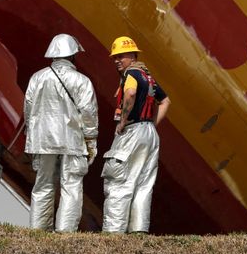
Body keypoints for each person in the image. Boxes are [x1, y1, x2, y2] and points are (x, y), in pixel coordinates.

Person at [23, 33, 99, 232]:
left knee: (42, 185)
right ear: (73, 55)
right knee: (71, 185)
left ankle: (38, 229)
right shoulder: (82, 81)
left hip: (42, 140)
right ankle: (65, 231)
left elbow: (28, 110)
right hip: (72, 141)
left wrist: (31, 138)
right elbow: (89, 114)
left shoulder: (37, 78)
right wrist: (91, 141)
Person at [101, 35, 171, 233]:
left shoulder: (131, 74)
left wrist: (123, 121)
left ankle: (113, 231)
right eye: (115, 57)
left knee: (119, 181)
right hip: (149, 134)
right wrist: (151, 125)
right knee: (143, 184)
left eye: (121, 56)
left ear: (132, 55)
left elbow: (130, 93)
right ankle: (138, 230)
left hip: (132, 131)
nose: (117, 61)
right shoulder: (148, 77)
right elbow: (165, 101)